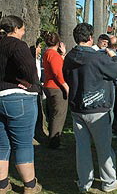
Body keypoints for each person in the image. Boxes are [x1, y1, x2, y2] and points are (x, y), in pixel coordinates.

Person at [63, 23, 117, 193]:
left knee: (82, 148)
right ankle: (108, 182)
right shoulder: (98, 57)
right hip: (97, 109)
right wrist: (114, 56)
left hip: (78, 109)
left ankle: (84, 183)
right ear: (90, 38)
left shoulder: (69, 57)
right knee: (104, 148)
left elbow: (66, 77)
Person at [0, 15, 42, 194]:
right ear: (16, 29)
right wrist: (29, 82)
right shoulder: (18, 45)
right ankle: (30, 185)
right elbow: (30, 71)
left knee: (2, 144)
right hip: (17, 98)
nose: (24, 32)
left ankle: (2, 185)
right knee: (23, 144)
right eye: (23, 29)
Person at [42, 33, 69, 149]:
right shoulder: (53, 55)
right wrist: (66, 86)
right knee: (59, 115)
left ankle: (52, 138)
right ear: (58, 43)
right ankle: (54, 142)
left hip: (49, 86)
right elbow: (58, 73)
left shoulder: (47, 53)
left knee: (53, 113)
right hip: (56, 88)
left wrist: (63, 54)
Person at [30, 38, 48, 143]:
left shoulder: (39, 59)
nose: (40, 49)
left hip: (38, 88)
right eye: (39, 47)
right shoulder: (32, 60)